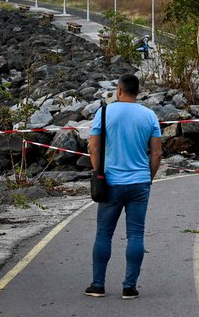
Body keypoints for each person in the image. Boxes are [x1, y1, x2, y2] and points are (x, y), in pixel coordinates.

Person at [86, 73, 162, 300]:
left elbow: (93, 148)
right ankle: (129, 287)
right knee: (136, 234)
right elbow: (157, 152)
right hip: (139, 182)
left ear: (119, 90)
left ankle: (98, 285)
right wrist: (148, 177)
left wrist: (98, 173)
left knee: (103, 235)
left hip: (111, 182)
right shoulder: (149, 115)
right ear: (137, 91)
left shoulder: (105, 112)